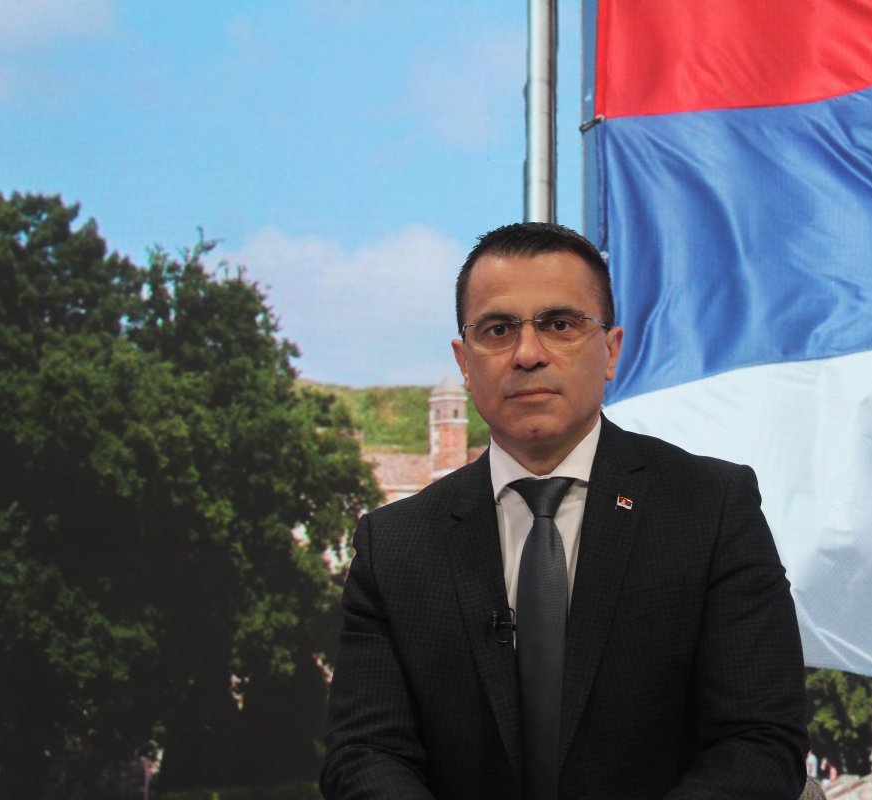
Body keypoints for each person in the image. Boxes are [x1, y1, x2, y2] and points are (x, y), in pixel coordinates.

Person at [321, 222, 809, 799]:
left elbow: (759, 739)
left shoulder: (710, 508)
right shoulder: (393, 545)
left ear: (611, 350)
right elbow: (364, 754)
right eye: (498, 330)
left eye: (559, 325)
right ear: (464, 363)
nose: (528, 354)